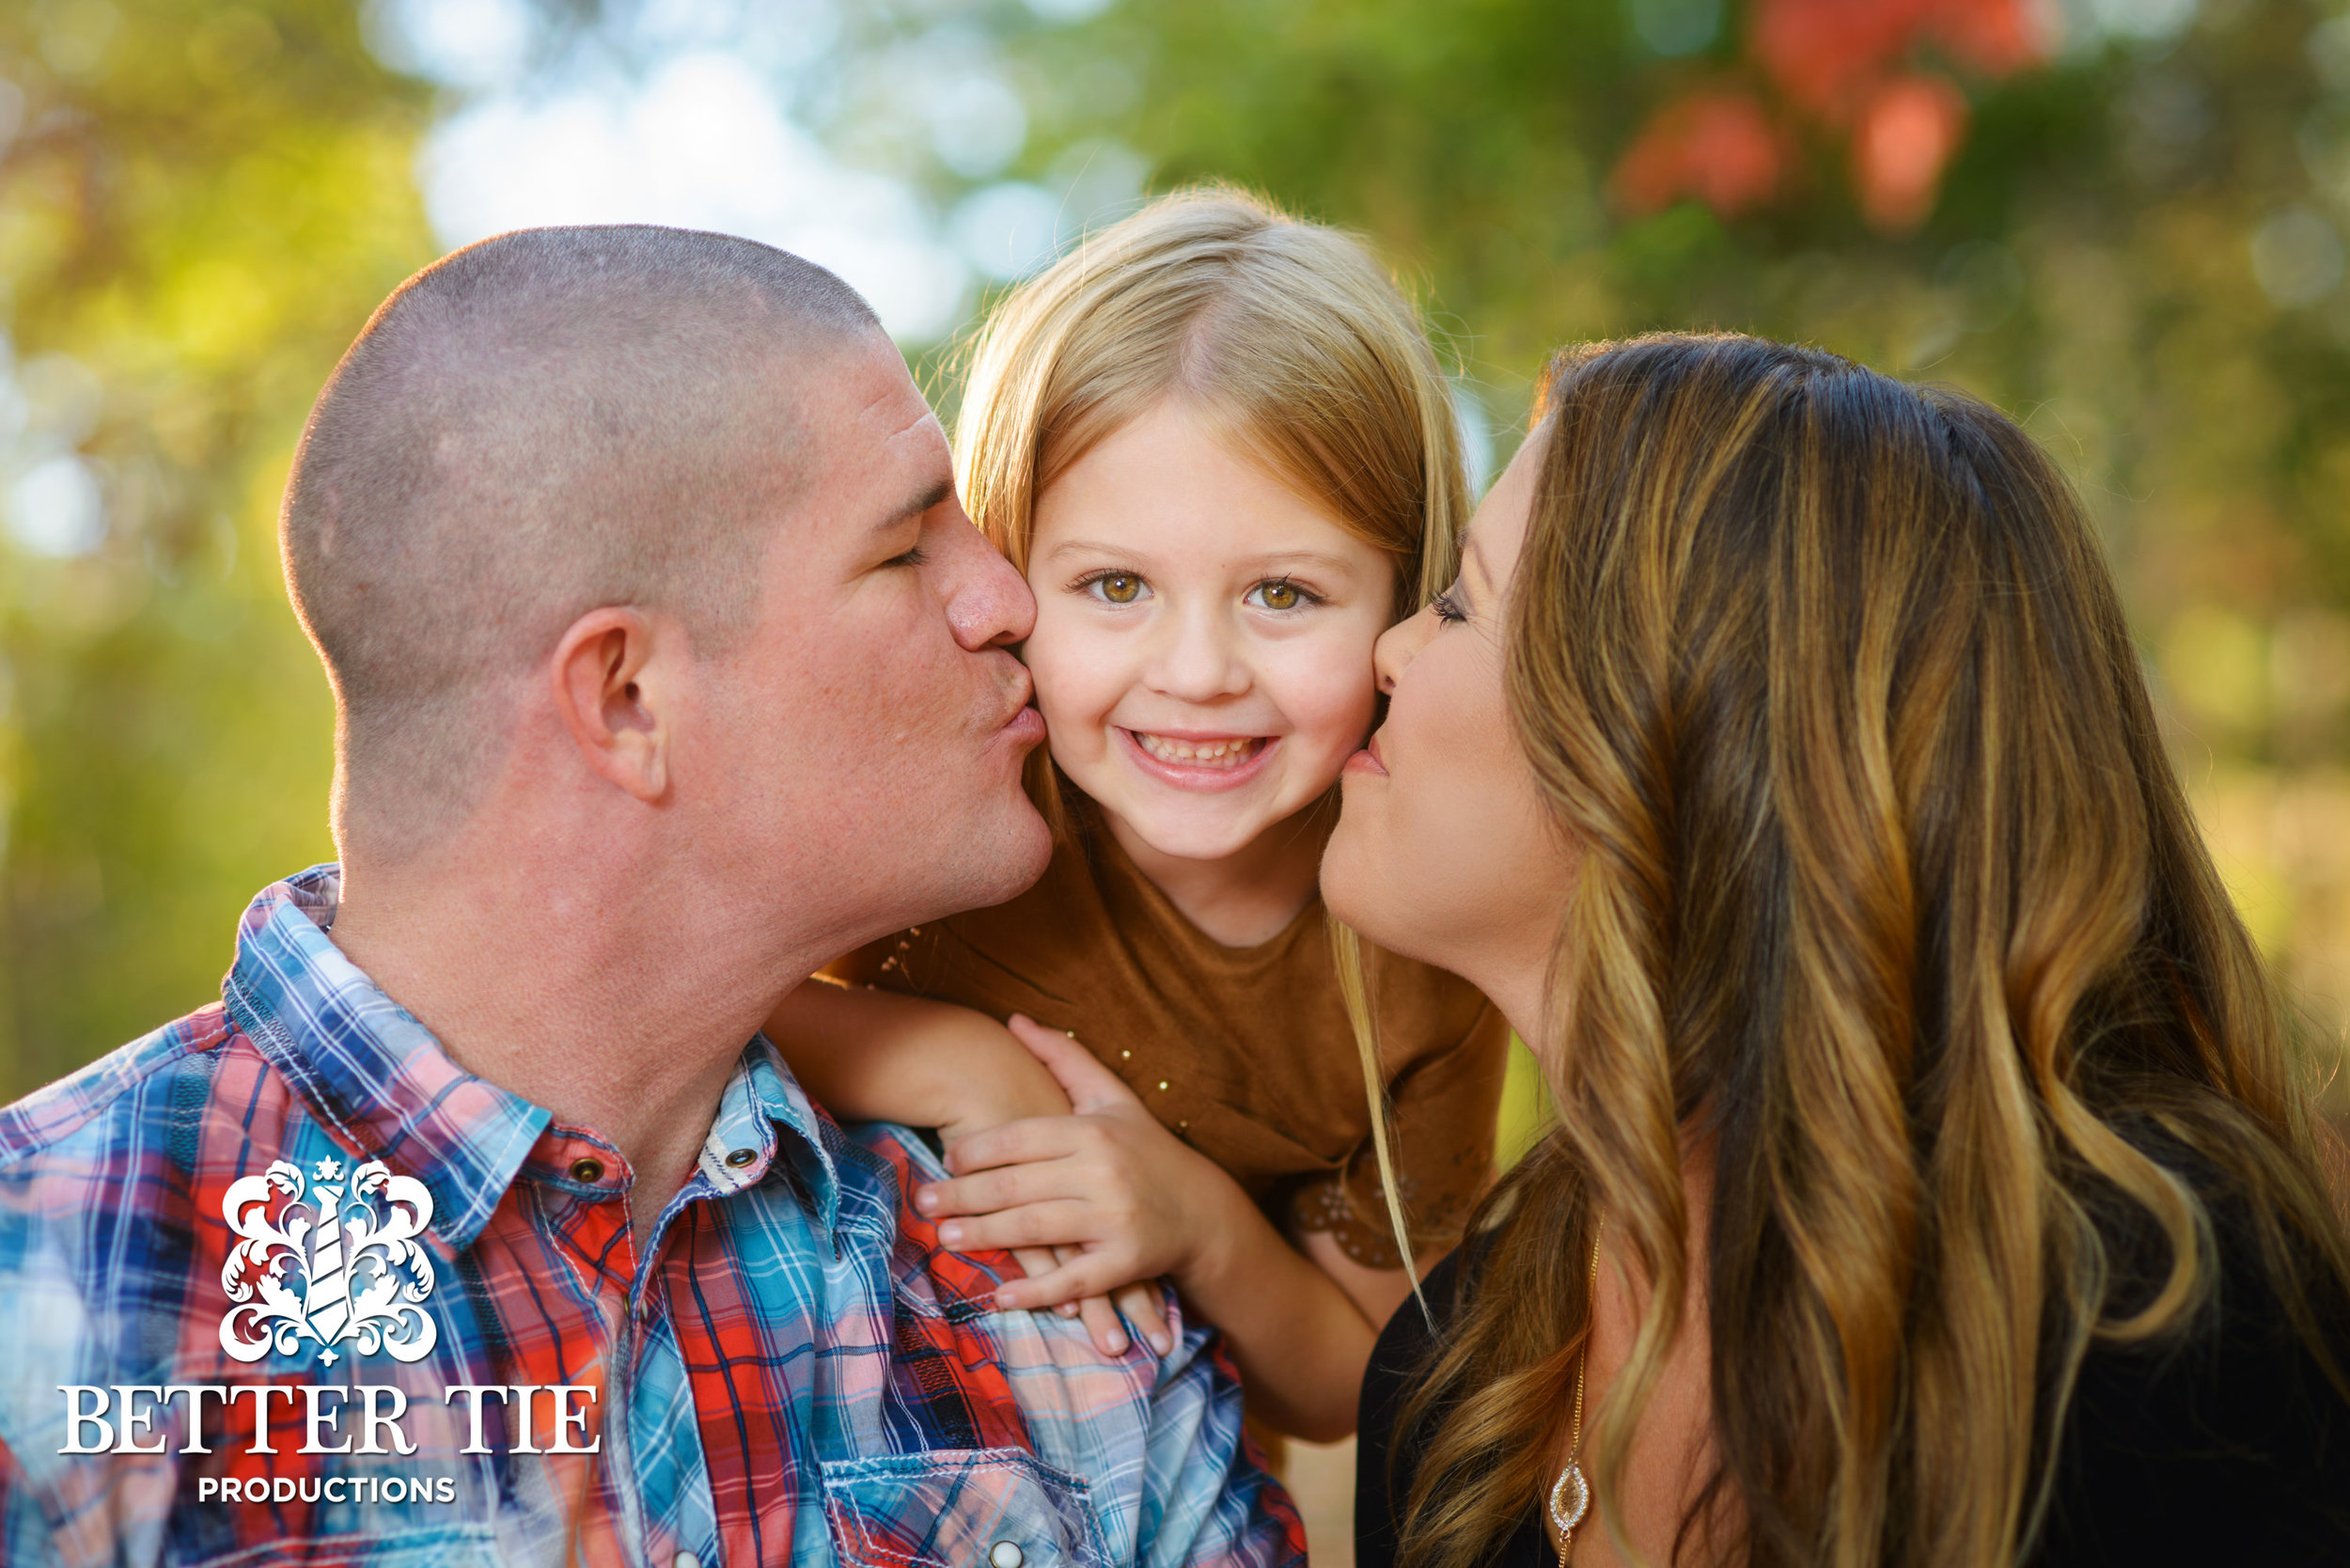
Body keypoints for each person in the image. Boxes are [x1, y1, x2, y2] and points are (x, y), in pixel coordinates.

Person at [0, 226, 1306, 1568]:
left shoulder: (1042, 1280)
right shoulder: (43, 1303)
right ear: (627, 699)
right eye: (907, 548)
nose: (1007, 600)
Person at [1338, 333, 2350, 1568]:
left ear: (1686, 743)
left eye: (1459, 603)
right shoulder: (1453, 1379)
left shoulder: (2141, 1326)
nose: (1388, 649)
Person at [765, 189, 1512, 1447]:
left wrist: (1198, 1220)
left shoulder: (1421, 940)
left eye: (1283, 592)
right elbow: (670, 990)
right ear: (1006, 573)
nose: (1200, 672)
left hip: (1155, 1491)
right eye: (1117, 587)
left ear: (1405, 592)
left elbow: (1350, 1381)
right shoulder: (942, 801)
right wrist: (961, 1066)